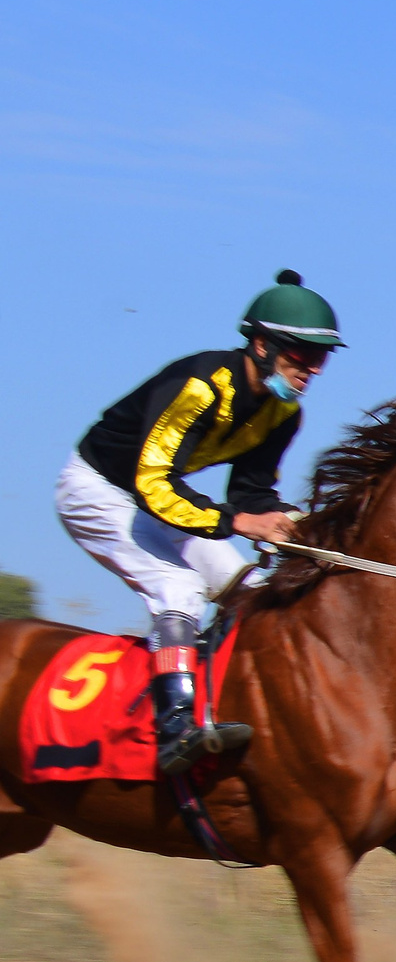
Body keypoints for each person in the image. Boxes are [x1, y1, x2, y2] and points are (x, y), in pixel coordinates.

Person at [58, 270, 341, 775]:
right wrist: (244, 524)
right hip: (95, 490)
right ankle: (174, 726)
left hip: (149, 501)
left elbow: (252, 496)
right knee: (178, 584)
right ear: (260, 345)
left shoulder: (283, 414)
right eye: (302, 356)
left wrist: (296, 526)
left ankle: (233, 702)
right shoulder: (202, 384)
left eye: (321, 359)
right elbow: (154, 485)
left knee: (251, 589)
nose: (313, 371)